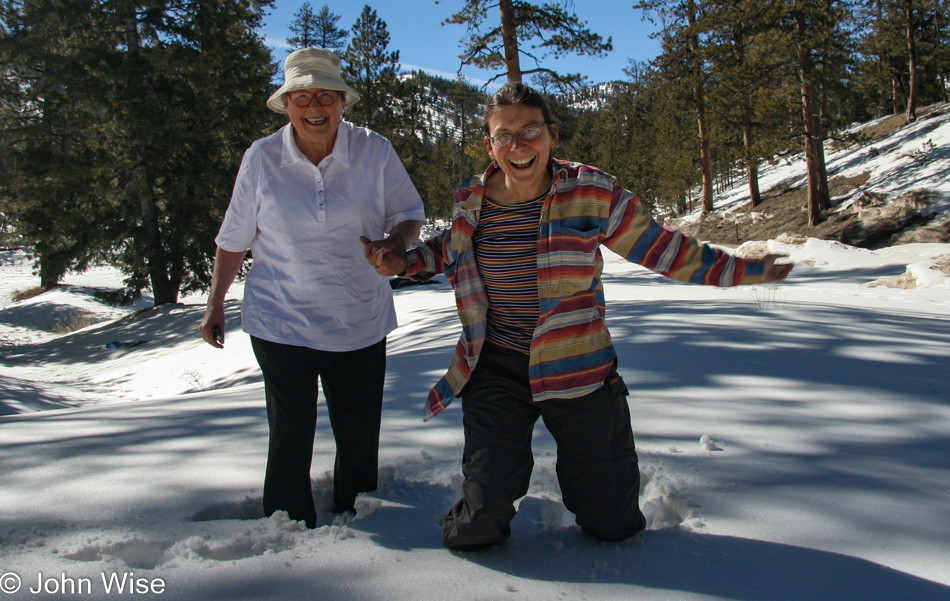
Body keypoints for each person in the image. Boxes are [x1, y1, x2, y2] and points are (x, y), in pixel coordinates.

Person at [364, 82, 792, 551]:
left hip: (579, 366)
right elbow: (449, 250)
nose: (518, 146)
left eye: (530, 131)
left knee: (612, 523)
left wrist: (742, 271)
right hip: (496, 366)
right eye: (503, 136)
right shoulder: (473, 198)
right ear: (490, 145)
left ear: (552, 135)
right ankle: (485, 499)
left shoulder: (592, 192)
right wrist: (403, 262)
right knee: (476, 527)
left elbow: (664, 249)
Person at [199, 47, 425, 528]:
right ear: (286, 105)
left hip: (359, 319)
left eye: (325, 95)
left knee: (359, 435)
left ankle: (363, 518)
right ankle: (284, 528)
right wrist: (215, 303)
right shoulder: (262, 158)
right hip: (281, 320)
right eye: (301, 97)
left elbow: (409, 215)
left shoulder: (374, 150)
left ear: (342, 100)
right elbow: (233, 238)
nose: (314, 107)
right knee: (289, 435)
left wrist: (395, 244)